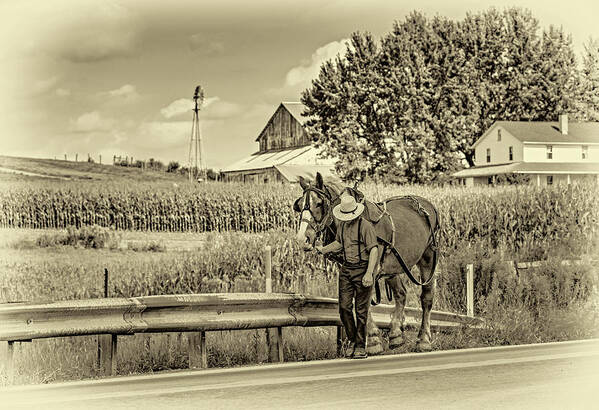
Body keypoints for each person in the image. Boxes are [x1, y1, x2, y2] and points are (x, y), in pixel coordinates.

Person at [316, 193, 379, 359]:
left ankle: (360, 346)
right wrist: (323, 249)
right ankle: (352, 340)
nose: (344, 218)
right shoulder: (342, 227)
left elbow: (374, 249)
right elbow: (339, 244)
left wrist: (369, 273)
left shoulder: (365, 226)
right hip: (346, 269)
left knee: (361, 310)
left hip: (362, 269)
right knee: (344, 308)